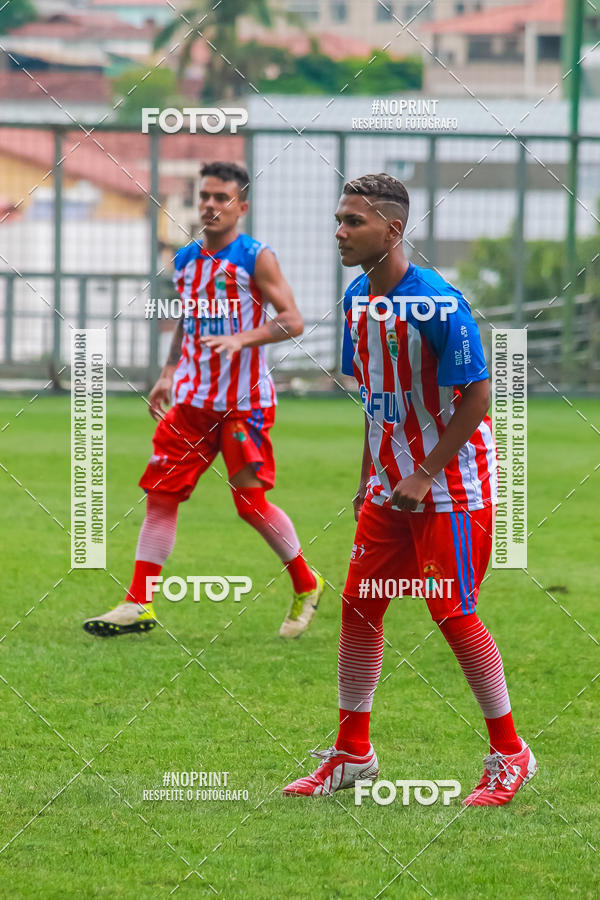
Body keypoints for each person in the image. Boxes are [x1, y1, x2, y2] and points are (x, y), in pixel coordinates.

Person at [283, 173, 537, 806]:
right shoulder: (354, 299)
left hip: (453, 488)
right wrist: (364, 476)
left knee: (451, 613)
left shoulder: (439, 302)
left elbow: (478, 396)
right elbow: (378, 404)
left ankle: (511, 753)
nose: (339, 232)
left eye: (353, 222)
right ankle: (352, 753)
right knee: (359, 607)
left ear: (392, 231)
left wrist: (425, 473)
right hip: (386, 488)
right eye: (338, 219)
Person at [84, 161, 323, 639]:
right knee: (161, 496)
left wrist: (244, 339)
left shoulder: (257, 257)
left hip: (243, 403)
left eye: (222, 198)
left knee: (250, 506)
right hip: (191, 402)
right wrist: (168, 371)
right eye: (206, 197)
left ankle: (306, 581)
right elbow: (188, 325)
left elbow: (293, 321)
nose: (212, 205)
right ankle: (138, 604)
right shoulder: (187, 259)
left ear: (242, 206)